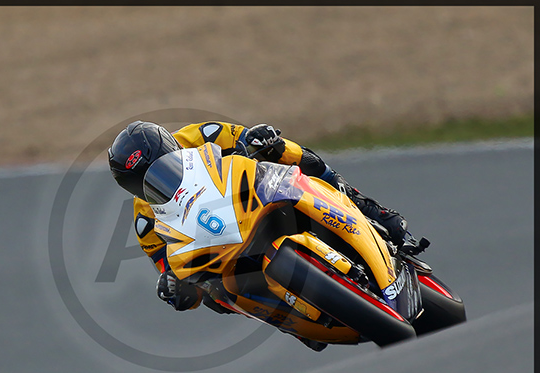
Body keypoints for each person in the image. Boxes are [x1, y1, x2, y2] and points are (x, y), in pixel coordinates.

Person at [108, 120, 408, 314]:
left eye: (159, 165)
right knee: (215, 297)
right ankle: (288, 315)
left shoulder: (201, 135)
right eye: (142, 180)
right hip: (218, 248)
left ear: (169, 146)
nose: (155, 179)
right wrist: (172, 286)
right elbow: (168, 266)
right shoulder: (145, 221)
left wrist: (260, 138)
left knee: (284, 151)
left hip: (249, 199)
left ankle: (369, 208)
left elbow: (246, 138)